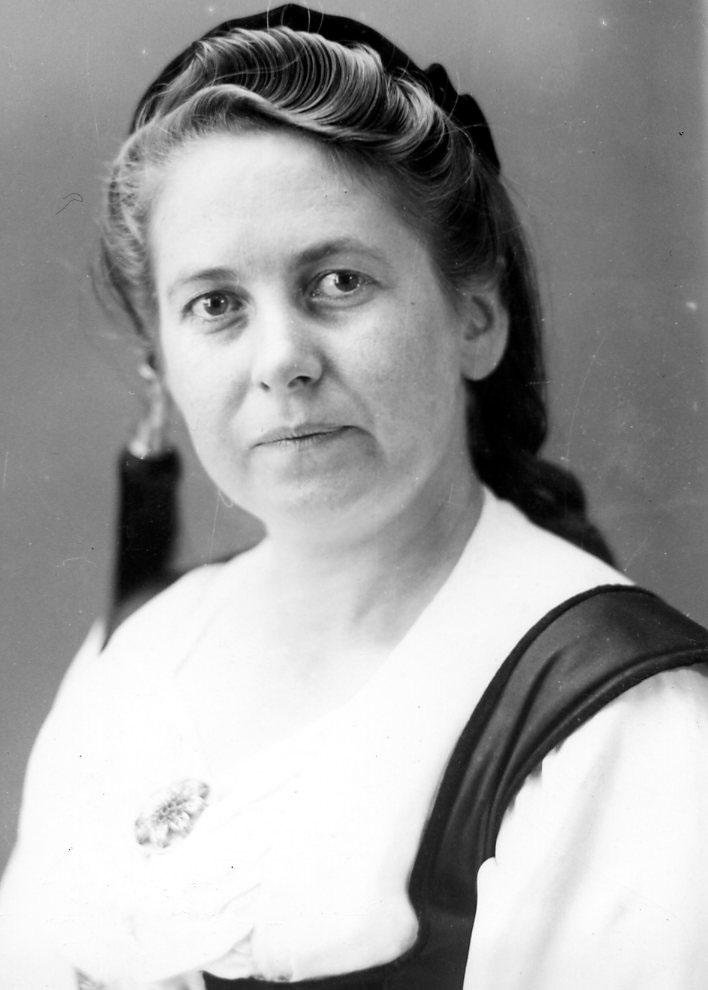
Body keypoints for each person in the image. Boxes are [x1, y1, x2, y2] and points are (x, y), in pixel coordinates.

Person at [2, 5, 708, 988]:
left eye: (337, 282)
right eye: (216, 305)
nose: (281, 360)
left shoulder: (612, 717)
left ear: (476, 317)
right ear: (159, 364)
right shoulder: (137, 653)